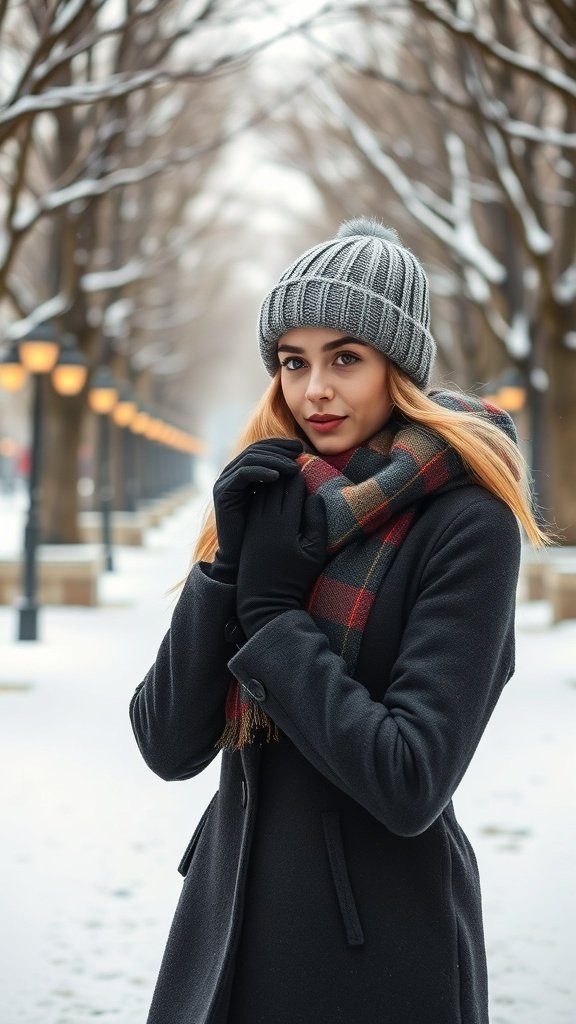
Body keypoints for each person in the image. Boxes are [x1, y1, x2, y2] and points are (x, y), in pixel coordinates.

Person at [130, 217, 551, 1024]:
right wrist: (227, 568)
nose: (314, 389)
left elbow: (410, 778)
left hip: (374, 954)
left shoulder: (466, 523)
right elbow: (166, 744)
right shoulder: (276, 503)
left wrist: (272, 619)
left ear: (399, 367)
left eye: (345, 359)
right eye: (294, 362)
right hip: (226, 929)